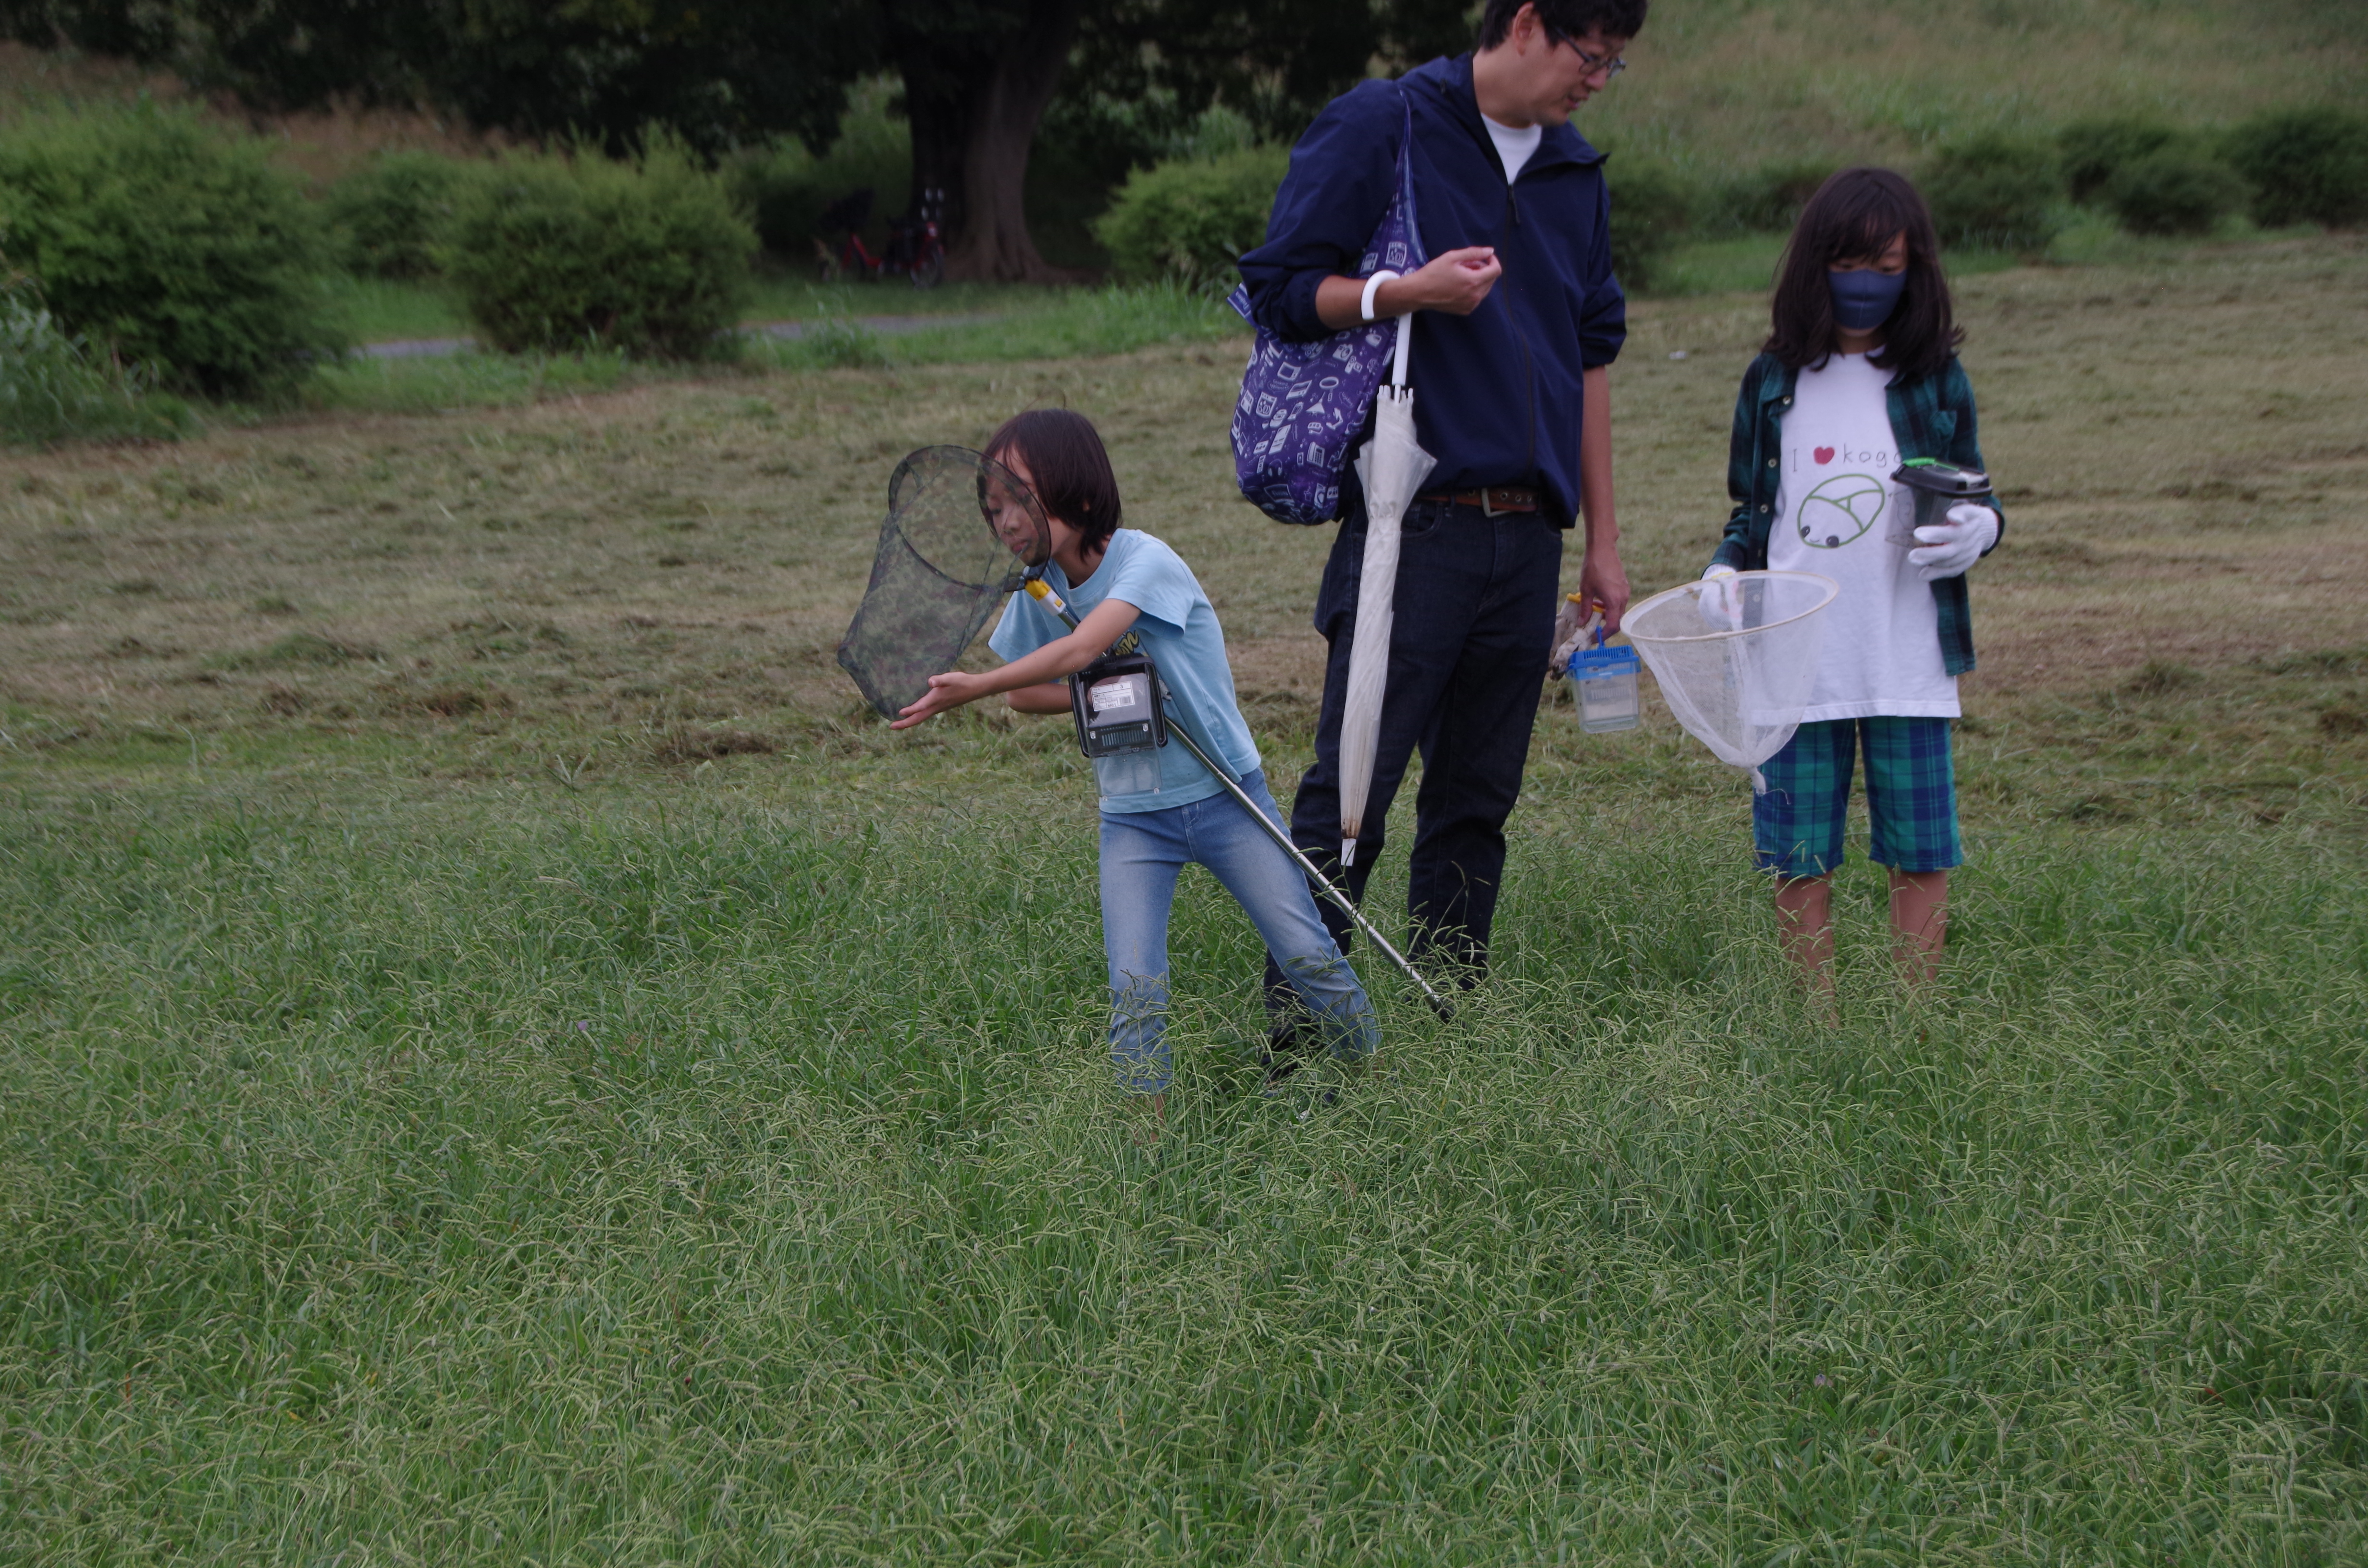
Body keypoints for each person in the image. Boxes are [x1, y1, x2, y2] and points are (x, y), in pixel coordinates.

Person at [1234, 0, 1644, 1038]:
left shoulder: (1573, 173)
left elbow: (1590, 355)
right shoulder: (1388, 124)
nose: (1592, 83)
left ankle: (1448, 1024)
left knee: (1476, 805)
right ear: (1522, 23)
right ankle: (1299, 1042)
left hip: (1529, 536)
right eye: (1585, 57)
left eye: (1614, 67)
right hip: (1410, 523)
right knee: (1351, 795)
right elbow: (1280, 288)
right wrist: (1398, 292)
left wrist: (1601, 539)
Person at [892, 409, 1379, 1107]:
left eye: (1018, 497)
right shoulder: (1042, 589)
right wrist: (1119, 693)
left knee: (1307, 954)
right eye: (992, 507)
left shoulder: (1145, 561)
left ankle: (1377, 1079)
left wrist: (976, 687)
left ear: (1080, 493)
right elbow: (1031, 691)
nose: (1004, 521)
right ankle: (1144, 1143)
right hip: (1133, 818)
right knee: (1134, 989)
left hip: (1223, 796)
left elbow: (1084, 647)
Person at [1701, 167, 2004, 992]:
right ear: (1814, 266)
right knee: (1798, 855)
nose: (1865, 284)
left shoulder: (1934, 379)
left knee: (1921, 845)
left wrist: (1983, 528)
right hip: (1797, 659)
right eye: (1848, 263)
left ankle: (1912, 1027)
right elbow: (1751, 514)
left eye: (1887, 265)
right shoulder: (1774, 382)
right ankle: (1818, 1023)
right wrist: (1726, 569)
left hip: (1906, 657)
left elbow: (1977, 494)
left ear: (1916, 272)